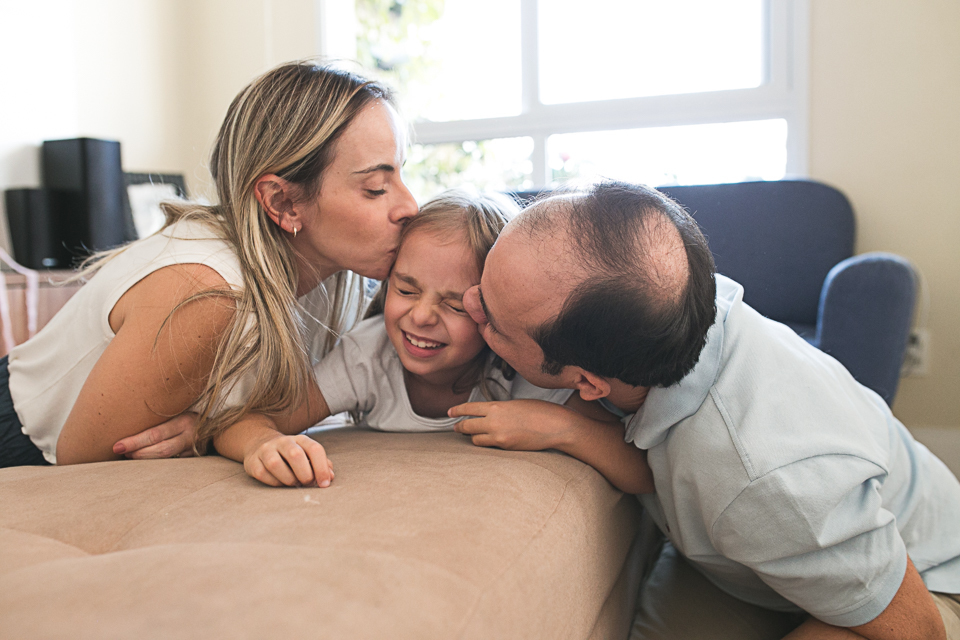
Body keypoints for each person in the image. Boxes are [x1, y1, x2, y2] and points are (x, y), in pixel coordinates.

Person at [460, 181, 960, 640]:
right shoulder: (672, 299)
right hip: (758, 562)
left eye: (493, 320)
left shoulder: (764, 480)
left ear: (589, 382)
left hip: (925, 586)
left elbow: (918, 630)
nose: (467, 303)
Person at [0, 60, 419, 468]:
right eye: (376, 188)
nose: (410, 206)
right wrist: (214, 434)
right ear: (282, 202)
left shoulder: (333, 271)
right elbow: (83, 460)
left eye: (400, 175)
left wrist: (210, 427)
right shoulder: (206, 294)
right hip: (19, 445)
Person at [213, 188, 654, 495]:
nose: (420, 316)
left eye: (455, 306)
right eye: (404, 290)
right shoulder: (369, 356)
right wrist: (261, 445)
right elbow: (247, 420)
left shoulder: (526, 367)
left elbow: (641, 472)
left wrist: (558, 427)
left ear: (497, 312)